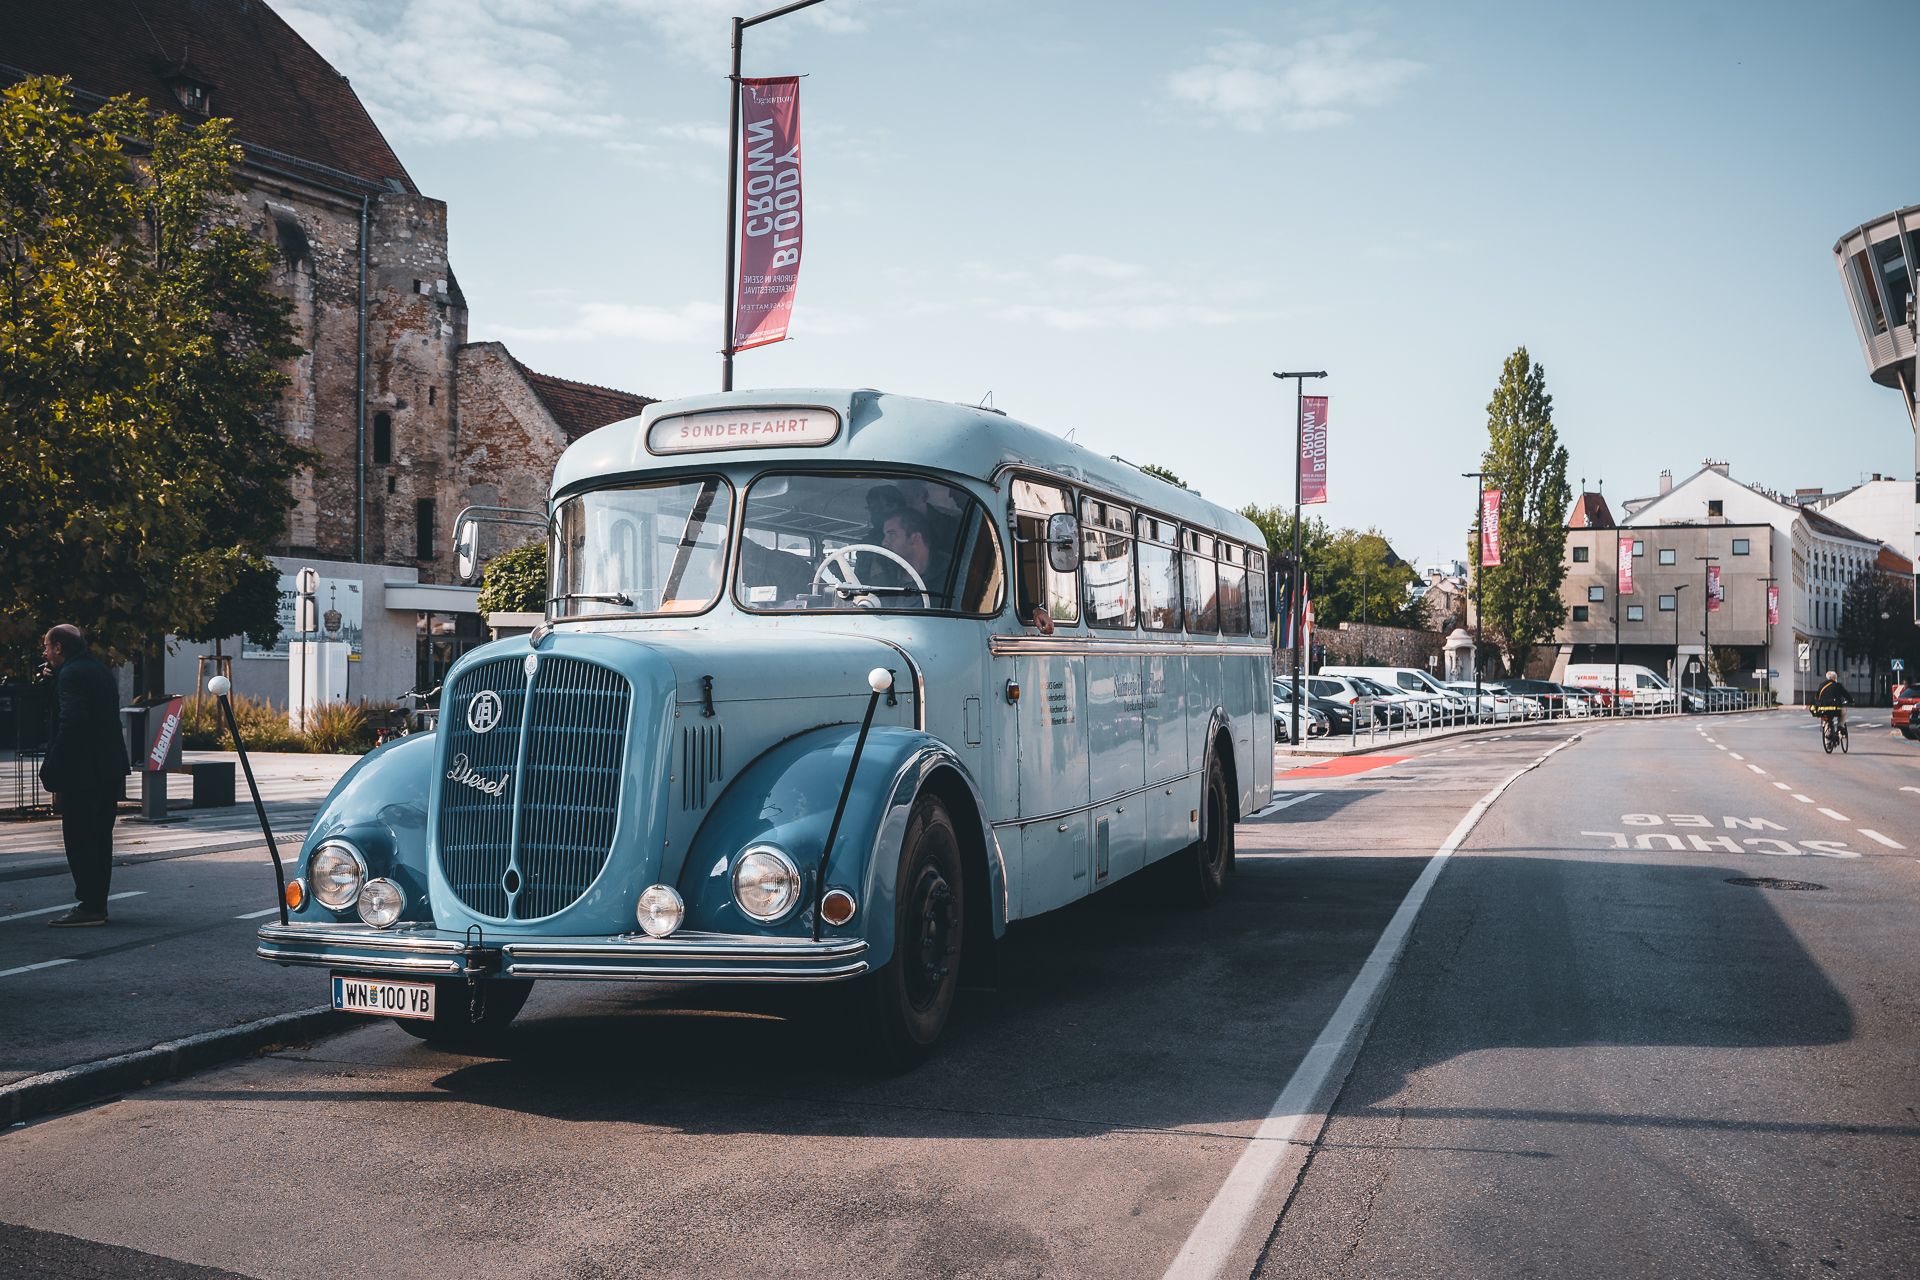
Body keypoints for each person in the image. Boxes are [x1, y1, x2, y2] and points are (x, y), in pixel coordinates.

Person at [39, 625, 129, 926]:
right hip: (109, 768)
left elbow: (73, 722)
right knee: (100, 840)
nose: (45, 653)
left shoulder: (71, 674)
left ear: (60, 648)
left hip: (83, 772)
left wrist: (53, 763)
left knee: (79, 840)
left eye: (48, 647)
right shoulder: (98, 669)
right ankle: (96, 904)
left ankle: (89, 906)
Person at [1812, 669, 1851, 743]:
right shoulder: (1838, 685)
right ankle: (1840, 728)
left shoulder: (1821, 685)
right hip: (1835, 709)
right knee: (1843, 712)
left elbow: (1816, 697)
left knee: (1826, 719)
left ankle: (1827, 737)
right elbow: (1846, 695)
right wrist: (1851, 701)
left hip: (1822, 709)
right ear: (1835, 678)